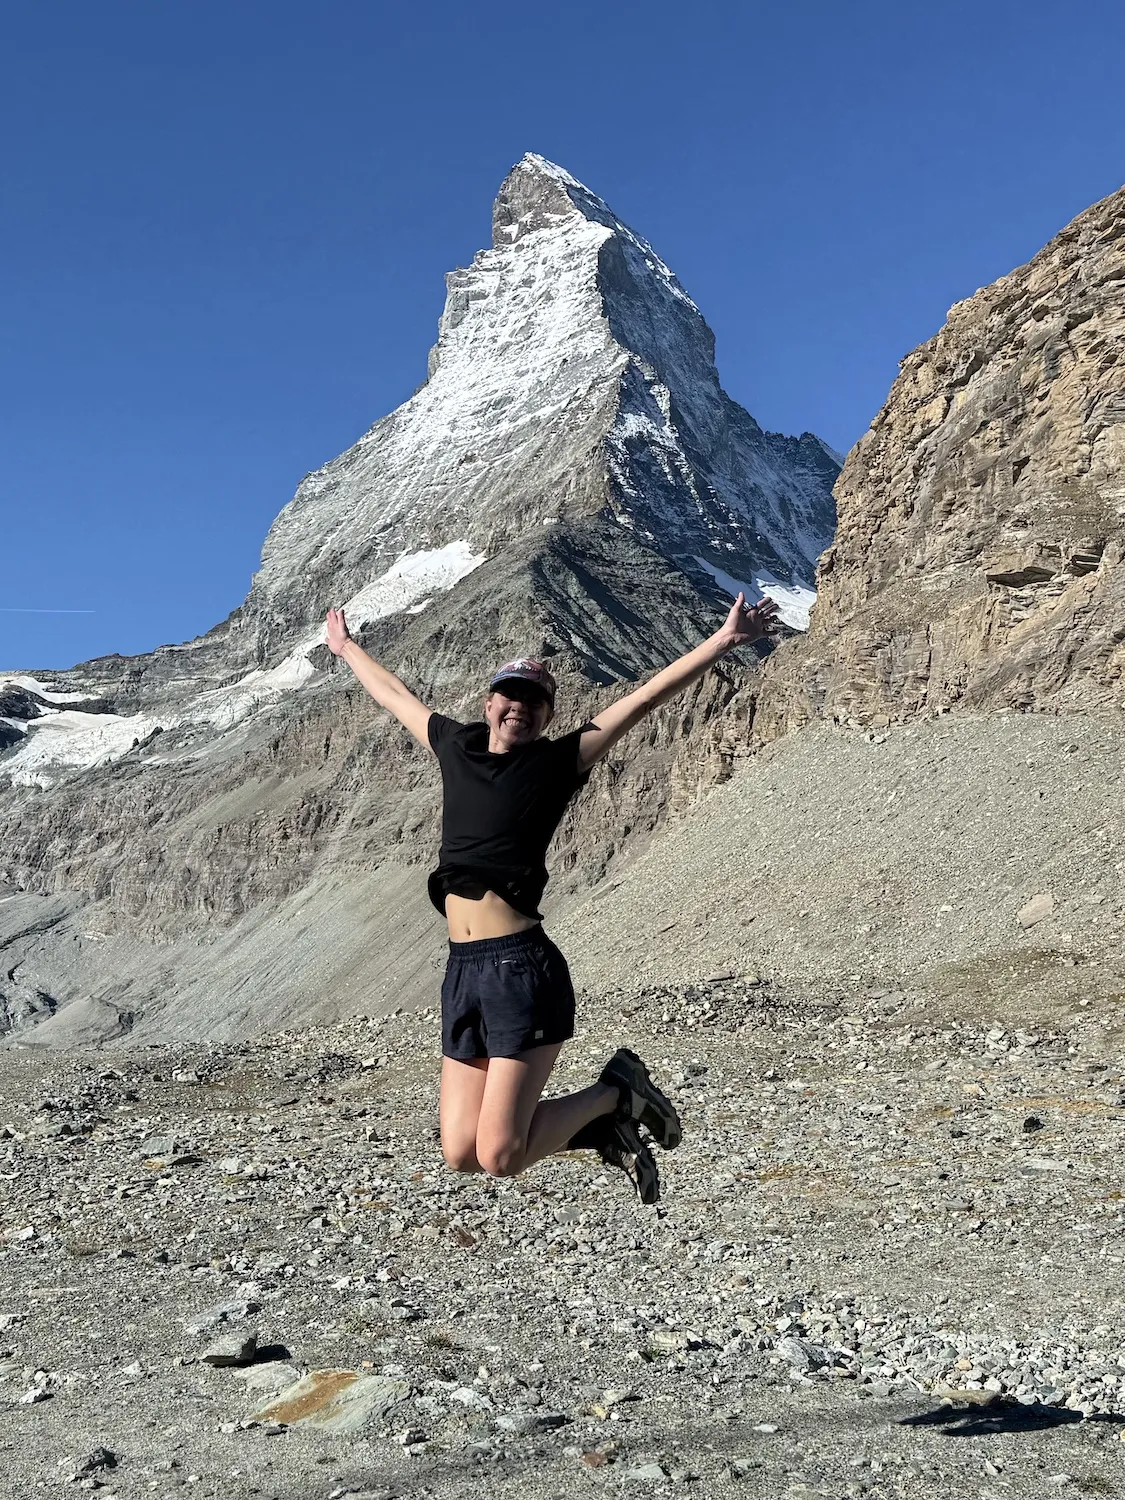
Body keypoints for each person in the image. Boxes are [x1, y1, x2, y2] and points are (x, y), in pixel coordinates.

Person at [325, 592, 778, 1202]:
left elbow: (640, 702)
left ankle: (617, 1092)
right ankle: (600, 1129)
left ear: (546, 718)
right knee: (461, 1152)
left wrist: (723, 641)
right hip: (462, 972)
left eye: (537, 702)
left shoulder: (558, 762)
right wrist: (346, 648)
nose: (523, 707)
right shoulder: (455, 746)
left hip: (519, 968)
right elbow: (396, 697)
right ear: (489, 704)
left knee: (502, 1155)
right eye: (512, 695)